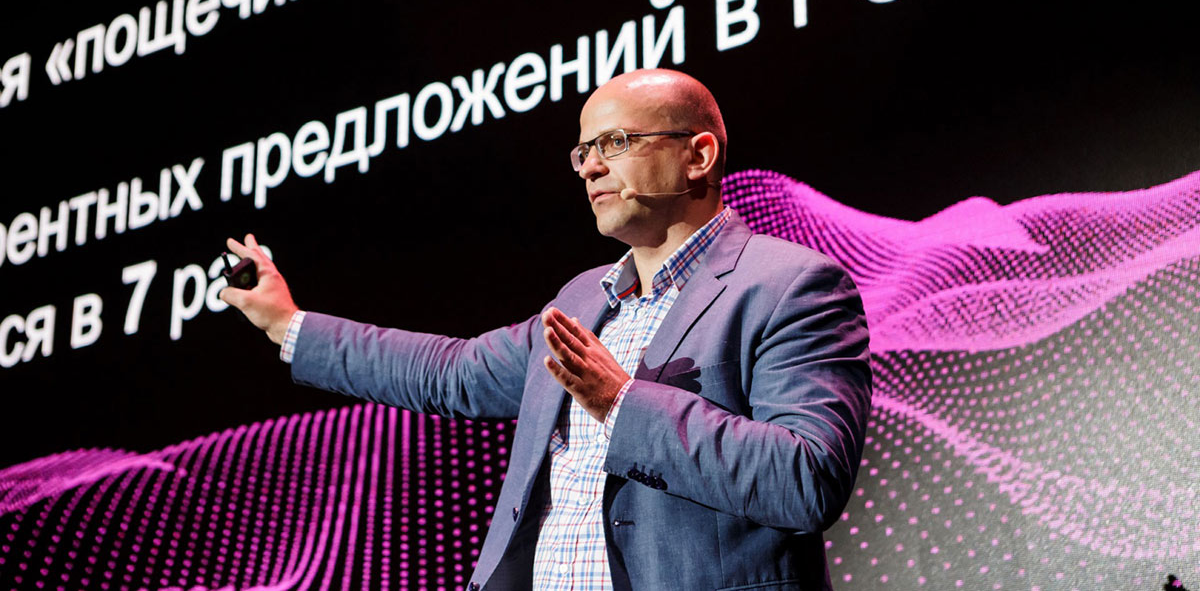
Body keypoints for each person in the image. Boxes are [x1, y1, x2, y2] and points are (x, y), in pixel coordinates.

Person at [221, 68, 872, 591]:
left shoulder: (790, 286)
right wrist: (288, 324)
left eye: (615, 143)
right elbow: (450, 372)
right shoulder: (584, 300)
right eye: (584, 151)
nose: (590, 168)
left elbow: (806, 477)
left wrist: (621, 403)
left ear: (697, 155)